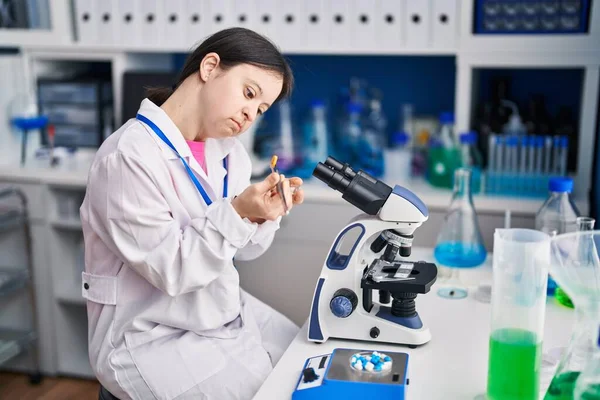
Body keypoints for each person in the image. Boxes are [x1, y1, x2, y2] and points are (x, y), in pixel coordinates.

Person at [80, 27, 304, 400]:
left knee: (303, 363)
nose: (251, 114)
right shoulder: (128, 157)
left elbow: (242, 251)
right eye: (249, 94)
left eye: (261, 109)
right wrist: (238, 212)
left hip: (217, 313)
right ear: (210, 66)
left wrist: (264, 213)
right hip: (147, 336)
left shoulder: (230, 153)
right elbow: (174, 271)